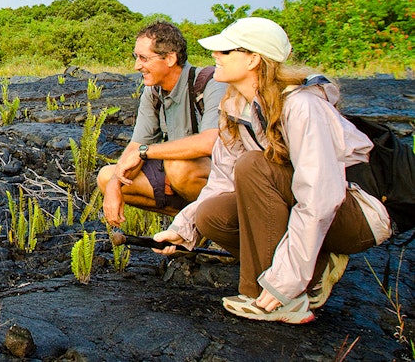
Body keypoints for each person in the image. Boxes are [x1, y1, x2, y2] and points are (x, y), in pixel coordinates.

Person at [153, 17, 391, 323]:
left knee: (255, 166)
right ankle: (313, 269)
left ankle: (279, 300)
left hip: (357, 214)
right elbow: (221, 183)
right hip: (311, 207)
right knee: (211, 215)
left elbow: (320, 199)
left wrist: (284, 283)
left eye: (225, 51)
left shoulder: (303, 105)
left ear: (253, 59)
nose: (215, 56)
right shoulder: (235, 108)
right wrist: (183, 229)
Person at [98, 21, 226, 225]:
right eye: (136, 57)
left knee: (178, 168)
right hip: (180, 176)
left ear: (170, 58)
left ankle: (215, 225)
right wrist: (113, 185)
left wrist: (145, 152)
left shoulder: (211, 83)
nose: (136, 66)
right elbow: (136, 145)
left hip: (225, 180)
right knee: (106, 176)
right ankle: (188, 223)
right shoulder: (153, 92)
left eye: (144, 58)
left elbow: (209, 142)